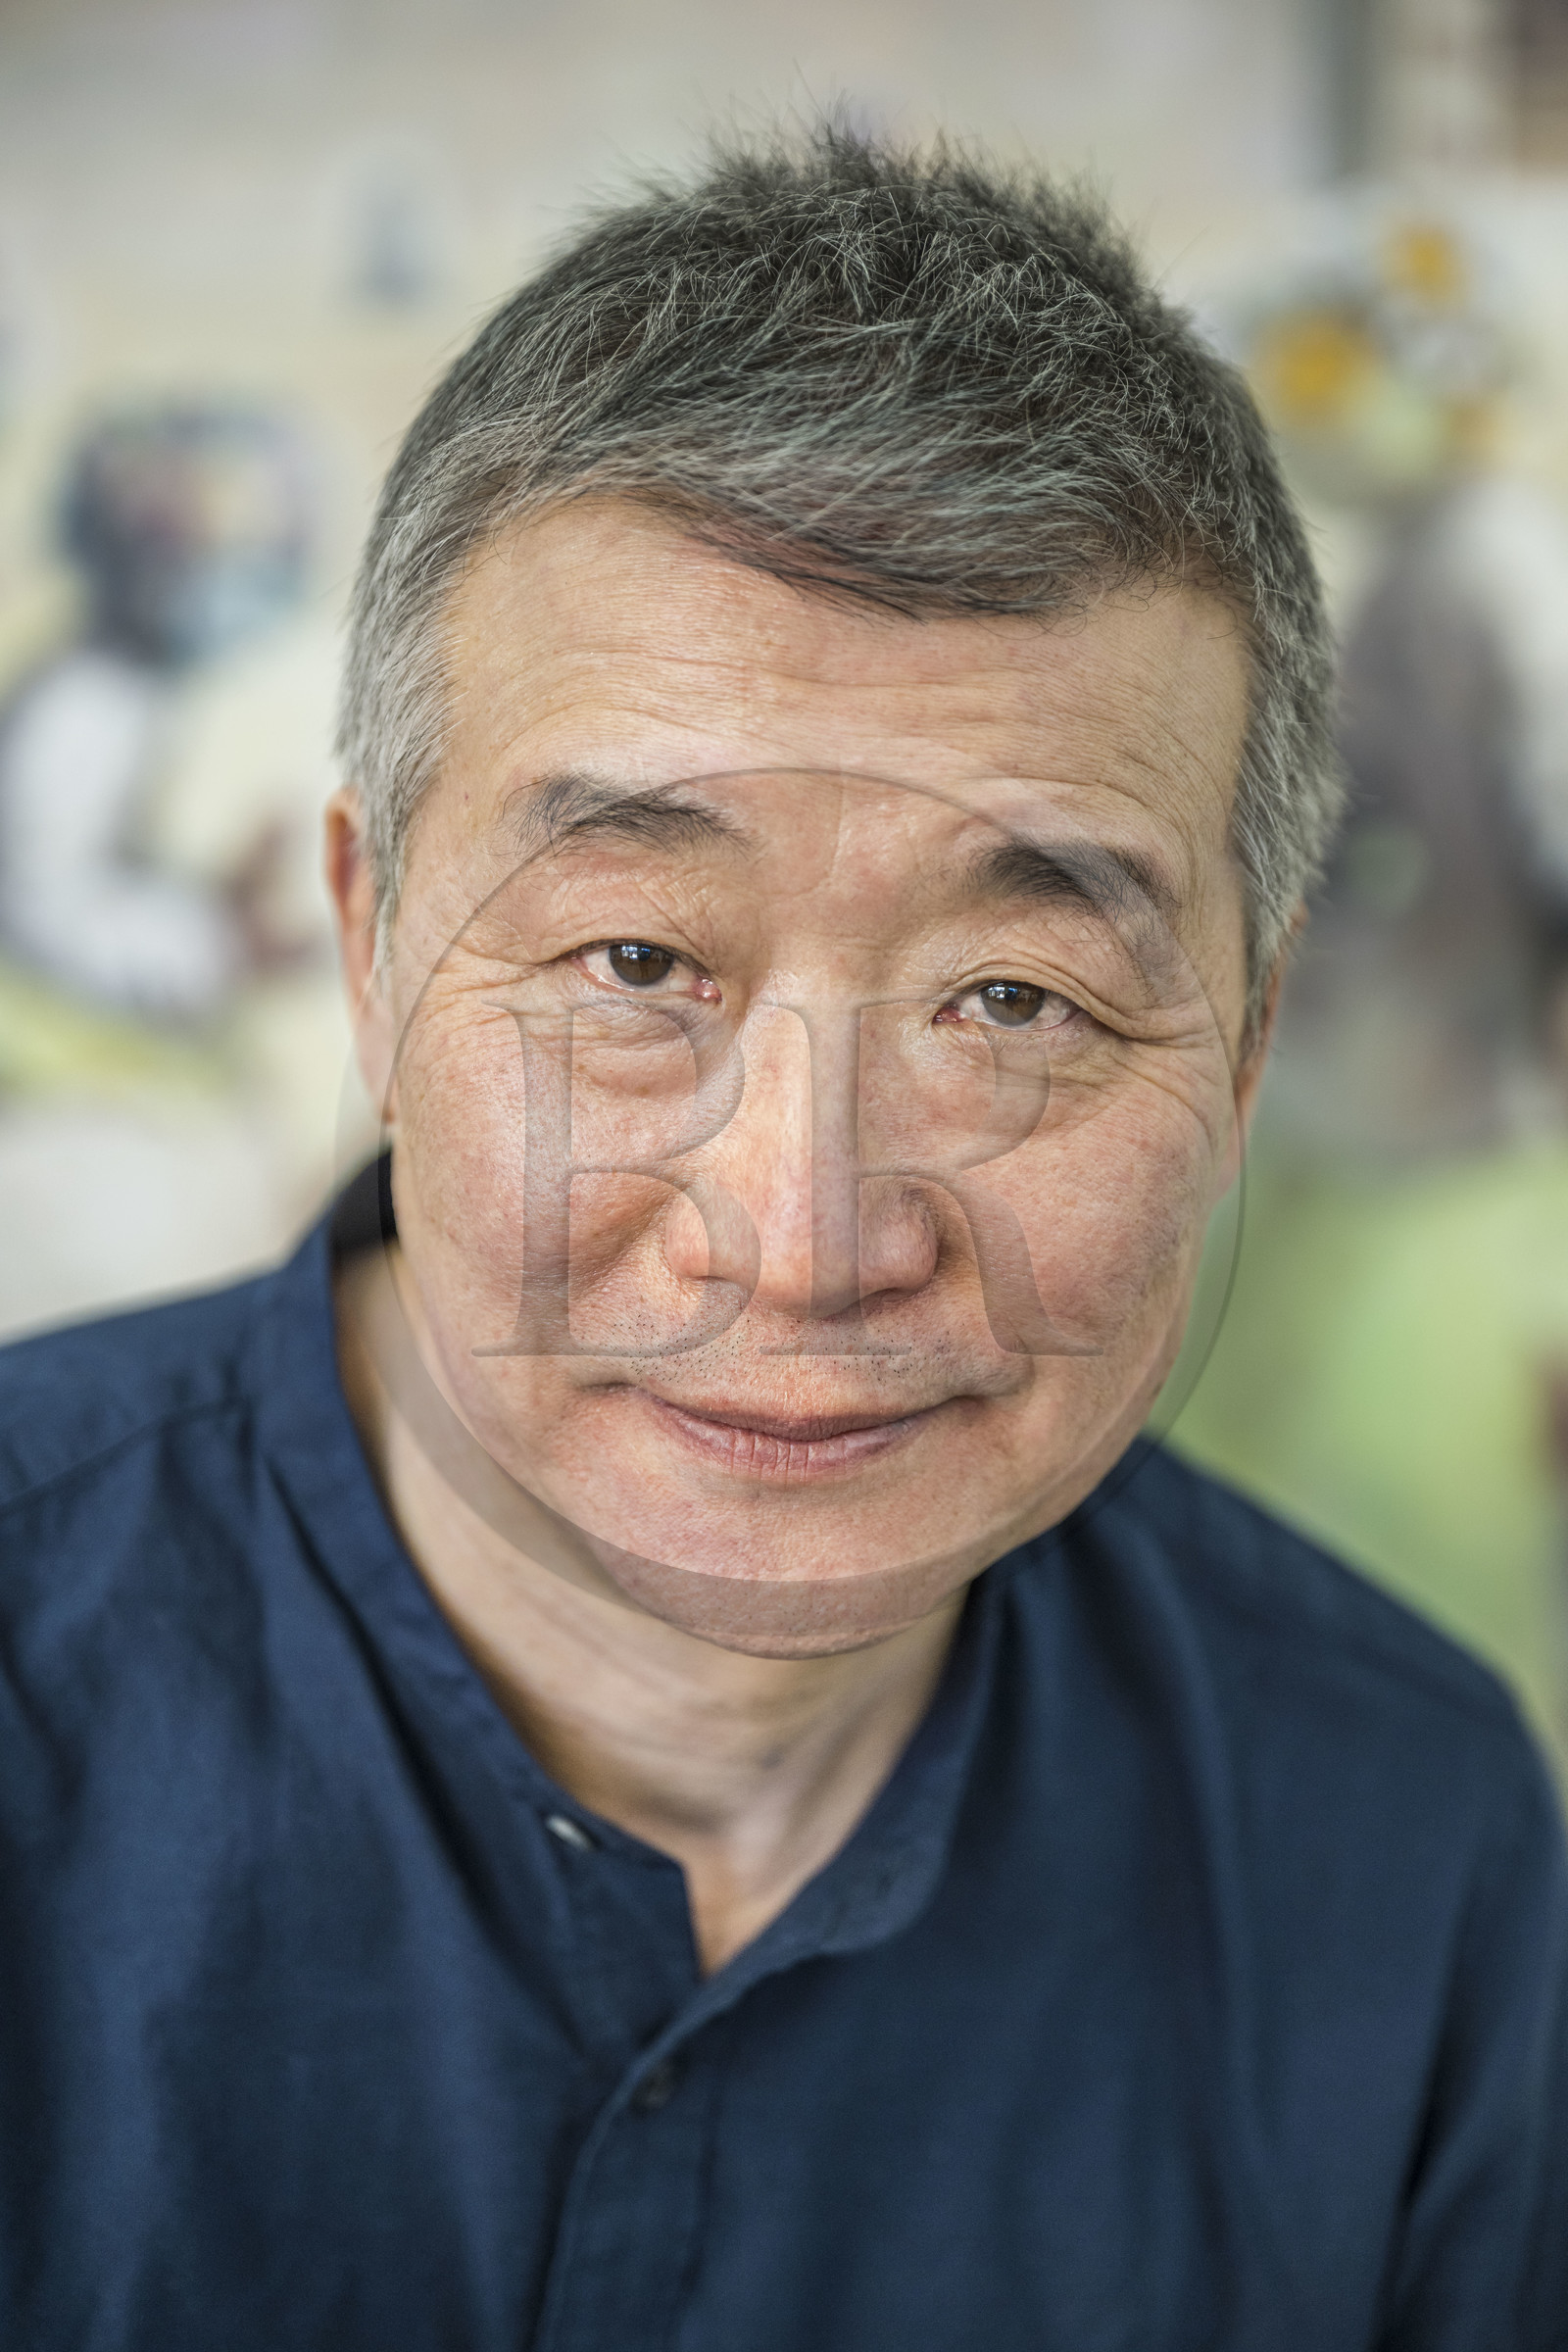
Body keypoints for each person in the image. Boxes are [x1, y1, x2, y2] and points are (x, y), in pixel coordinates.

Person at [0, 129, 1562, 2352]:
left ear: (1241, 1050)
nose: (808, 1239)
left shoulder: (1401, 1844)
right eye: (636, 961)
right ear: (367, 948)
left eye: (1011, 1002)